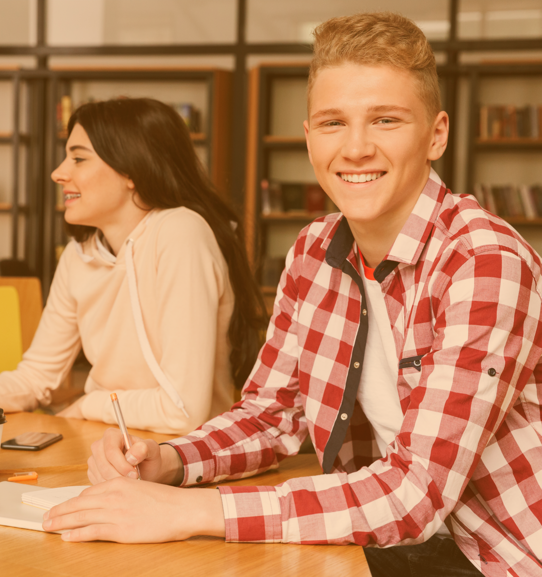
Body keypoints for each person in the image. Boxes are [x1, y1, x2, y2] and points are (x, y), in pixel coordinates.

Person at [41, 13, 542, 577]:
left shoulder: (484, 261)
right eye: (333, 123)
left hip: (498, 556)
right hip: (384, 544)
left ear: (437, 135)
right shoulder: (313, 250)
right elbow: (271, 415)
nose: (356, 147)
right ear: (308, 137)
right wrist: (169, 461)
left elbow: (413, 493)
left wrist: (189, 510)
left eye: (385, 120)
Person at [0, 97, 267, 435]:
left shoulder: (180, 232)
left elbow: (183, 410)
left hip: (183, 452)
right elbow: (38, 376)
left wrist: (89, 404)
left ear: (131, 169)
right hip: (108, 439)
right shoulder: (79, 255)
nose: (58, 173)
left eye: (78, 159)